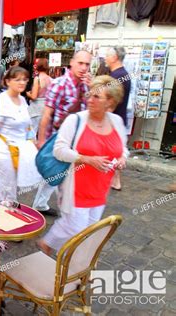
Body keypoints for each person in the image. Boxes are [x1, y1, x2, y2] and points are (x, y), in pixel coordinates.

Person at [37, 75, 128, 255]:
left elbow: (123, 148)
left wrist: (123, 159)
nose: (90, 99)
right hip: (75, 187)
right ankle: (52, 249)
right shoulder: (75, 120)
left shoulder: (116, 122)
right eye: (90, 94)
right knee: (75, 229)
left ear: (110, 102)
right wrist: (86, 159)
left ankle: (69, 260)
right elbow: (59, 150)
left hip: (100, 189)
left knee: (89, 231)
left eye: (97, 97)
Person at [33, 50, 92, 215]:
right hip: (57, 139)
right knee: (52, 173)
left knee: (58, 176)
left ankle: (41, 205)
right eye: (80, 63)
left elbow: (91, 113)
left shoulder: (87, 86)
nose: (83, 67)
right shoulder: (59, 83)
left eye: (87, 64)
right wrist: (42, 140)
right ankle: (63, 214)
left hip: (77, 142)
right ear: (72, 62)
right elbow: (46, 115)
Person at [0, 66, 42, 200]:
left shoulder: (23, 100)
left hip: (20, 151)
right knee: (8, 188)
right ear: (7, 82)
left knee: (8, 187)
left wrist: (34, 142)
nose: (22, 83)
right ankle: (1, 213)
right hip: (3, 152)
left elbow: (27, 126)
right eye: (17, 79)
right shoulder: (1, 101)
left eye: (24, 79)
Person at [105, 46, 131, 191]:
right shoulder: (123, 74)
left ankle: (114, 180)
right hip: (119, 117)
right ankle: (115, 180)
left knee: (114, 150)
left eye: (108, 55)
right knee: (116, 149)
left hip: (114, 118)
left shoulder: (116, 76)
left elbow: (111, 101)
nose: (105, 58)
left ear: (115, 57)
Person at [26, 58, 52, 136]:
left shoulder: (37, 79)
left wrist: (28, 94)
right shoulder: (51, 80)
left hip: (36, 109)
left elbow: (34, 96)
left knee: (31, 133)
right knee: (43, 134)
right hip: (46, 108)